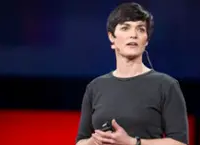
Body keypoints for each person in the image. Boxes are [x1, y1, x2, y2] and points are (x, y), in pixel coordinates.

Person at [76, 2, 189, 145]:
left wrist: (132, 142)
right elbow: (80, 141)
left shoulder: (166, 85)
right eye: (125, 28)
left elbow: (180, 142)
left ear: (146, 40)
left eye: (140, 29)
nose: (133, 35)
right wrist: (93, 141)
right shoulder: (95, 87)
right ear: (112, 37)